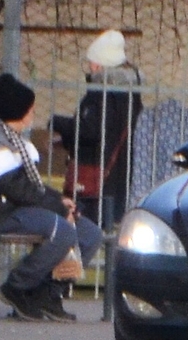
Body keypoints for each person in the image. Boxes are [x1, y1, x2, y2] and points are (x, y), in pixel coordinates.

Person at [0, 73, 101, 323]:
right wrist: (57, 207)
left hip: (23, 209)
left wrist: (60, 201)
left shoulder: (13, 141)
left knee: (90, 234)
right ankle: (17, 286)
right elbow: (16, 189)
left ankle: (47, 294)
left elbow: (31, 187)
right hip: (1, 213)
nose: (34, 113)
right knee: (63, 231)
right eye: (31, 109)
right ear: (20, 112)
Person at [50, 29, 139, 225]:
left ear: (99, 64)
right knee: (107, 229)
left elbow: (90, 130)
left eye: (92, 61)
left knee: (81, 227)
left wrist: (57, 123)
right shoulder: (131, 92)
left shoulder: (101, 93)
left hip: (93, 174)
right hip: (118, 172)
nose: (90, 67)